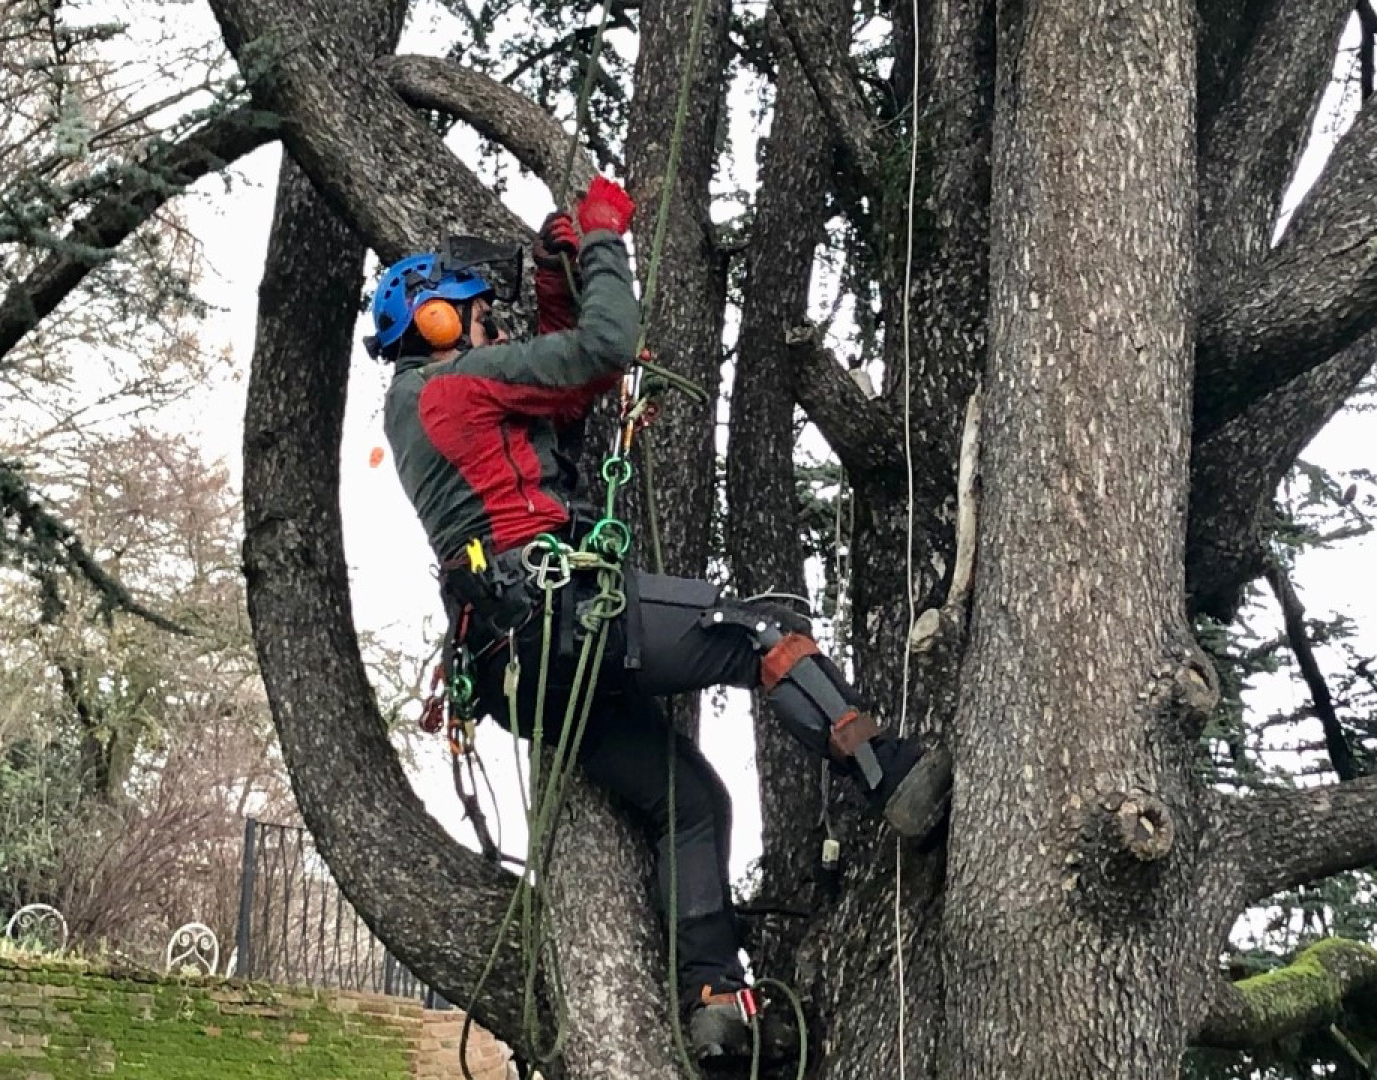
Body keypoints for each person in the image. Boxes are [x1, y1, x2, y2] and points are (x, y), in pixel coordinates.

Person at [364, 175, 952, 1063]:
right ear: (437, 322)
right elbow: (605, 350)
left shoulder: (429, 405)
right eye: (479, 315)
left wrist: (556, 286)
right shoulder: (452, 387)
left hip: (517, 667)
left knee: (691, 802)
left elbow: (559, 404)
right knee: (761, 630)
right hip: (561, 611)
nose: (490, 326)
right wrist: (604, 240)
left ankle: (714, 1002)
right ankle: (891, 777)